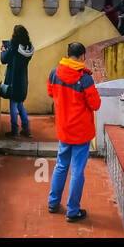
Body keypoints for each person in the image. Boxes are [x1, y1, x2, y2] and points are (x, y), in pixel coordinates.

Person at [46, 42, 101, 223]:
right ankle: (73, 210)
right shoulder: (85, 79)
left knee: (61, 165)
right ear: (83, 56)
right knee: (77, 170)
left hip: (64, 129)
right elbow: (96, 105)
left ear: (68, 55)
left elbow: (50, 93)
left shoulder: (54, 73)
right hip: (81, 131)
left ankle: (53, 203)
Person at [1, 25, 34, 138]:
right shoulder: (29, 48)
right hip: (23, 80)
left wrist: (3, 50)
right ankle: (26, 129)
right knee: (20, 104)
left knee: (13, 106)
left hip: (13, 79)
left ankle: (14, 131)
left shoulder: (14, 47)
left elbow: (4, 60)